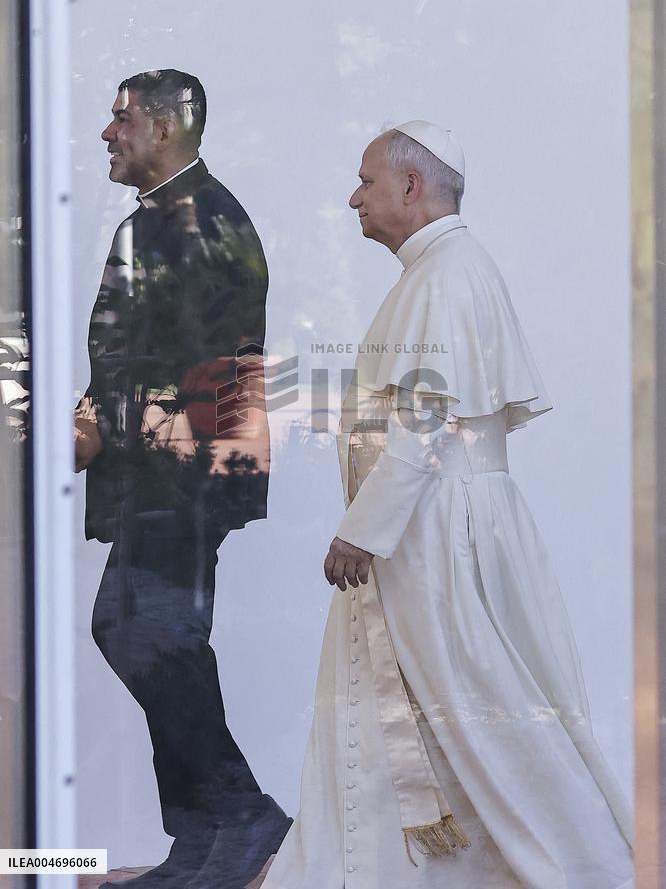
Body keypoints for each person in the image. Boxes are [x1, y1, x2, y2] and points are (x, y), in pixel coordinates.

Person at [262, 122, 633, 888]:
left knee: (484, 710)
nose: (352, 197)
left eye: (365, 181)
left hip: (434, 531)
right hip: (424, 525)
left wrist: (362, 530)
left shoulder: (448, 274)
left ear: (411, 186)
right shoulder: (434, 274)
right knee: (434, 710)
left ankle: (583, 865)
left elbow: (426, 421)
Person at [75, 69, 291, 889]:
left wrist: (99, 427)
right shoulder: (169, 219)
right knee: (143, 631)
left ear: (164, 128)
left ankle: (241, 818)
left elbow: (205, 371)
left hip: (183, 472)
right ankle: (205, 834)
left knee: (145, 631)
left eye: (121, 117)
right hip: (172, 468)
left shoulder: (201, 222)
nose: (107, 132)